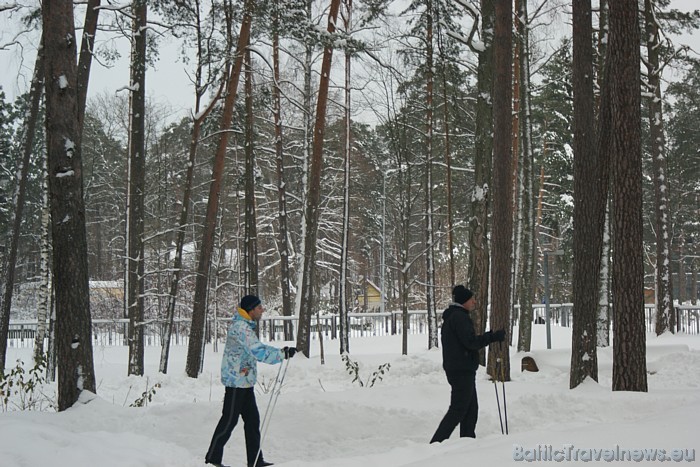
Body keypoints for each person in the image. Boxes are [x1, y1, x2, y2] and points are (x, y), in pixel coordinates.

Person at [205, 295, 297, 467]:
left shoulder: (245, 326)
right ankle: (212, 459)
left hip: (244, 381)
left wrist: (280, 352)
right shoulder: (241, 328)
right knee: (229, 421)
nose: (262, 310)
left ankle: (255, 461)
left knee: (253, 421)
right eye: (259, 307)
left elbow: (256, 348)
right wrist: (281, 354)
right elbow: (257, 350)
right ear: (250, 309)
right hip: (236, 383)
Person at [430, 285, 506, 443]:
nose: (474, 302)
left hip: (460, 368)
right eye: (472, 299)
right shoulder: (459, 317)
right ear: (464, 301)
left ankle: (467, 443)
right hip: (461, 369)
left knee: (470, 410)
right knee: (458, 409)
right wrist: (492, 337)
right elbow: (470, 342)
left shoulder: (455, 316)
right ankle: (436, 443)